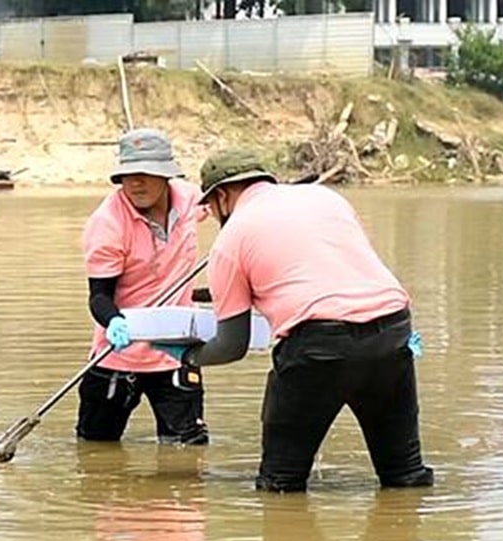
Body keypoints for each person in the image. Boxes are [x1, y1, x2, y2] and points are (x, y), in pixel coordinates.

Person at [152, 148, 434, 491]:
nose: (212, 215)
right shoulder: (325, 198)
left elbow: (232, 345)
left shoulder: (232, 236)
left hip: (318, 348)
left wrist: (189, 356)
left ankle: (288, 539)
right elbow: (335, 265)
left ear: (223, 196)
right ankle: (408, 531)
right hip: (392, 330)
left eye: (210, 208)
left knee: (280, 484)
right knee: (405, 475)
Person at [77, 127, 209, 446]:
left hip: (176, 352)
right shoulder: (107, 224)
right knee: (95, 449)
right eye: (129, 174)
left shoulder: (193, 200)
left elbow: (237, 205)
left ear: (167, 176)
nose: (136, 182)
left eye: (147, 173)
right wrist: (114, 322)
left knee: (186, 451)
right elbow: (99, 296)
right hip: (118, 354)